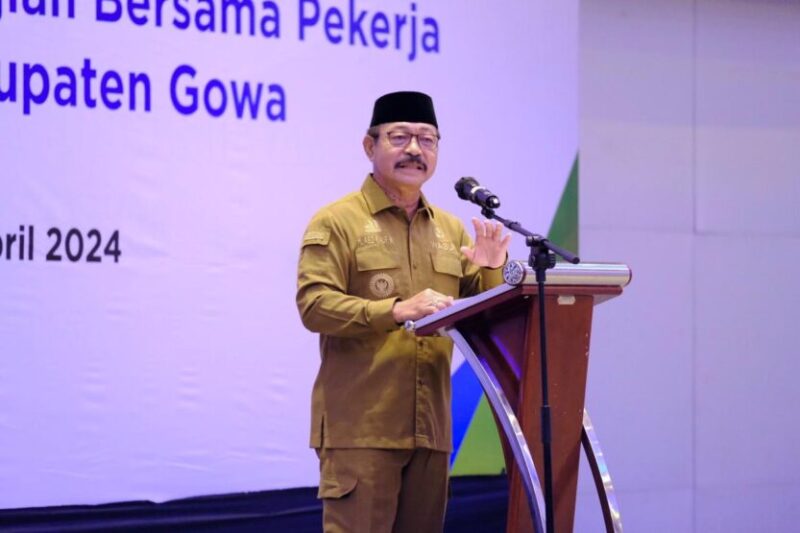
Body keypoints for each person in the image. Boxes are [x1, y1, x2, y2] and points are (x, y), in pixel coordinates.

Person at [296, 91, 511, 533]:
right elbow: (314, 306)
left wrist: (491, 269)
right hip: (362, 429)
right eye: (400, 137)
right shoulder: (337, 221)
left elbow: (483, 318)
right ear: (369, 145)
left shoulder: (451, 229)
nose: (415, 149)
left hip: (430, 430)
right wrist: (395, 310)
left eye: (427, 140)